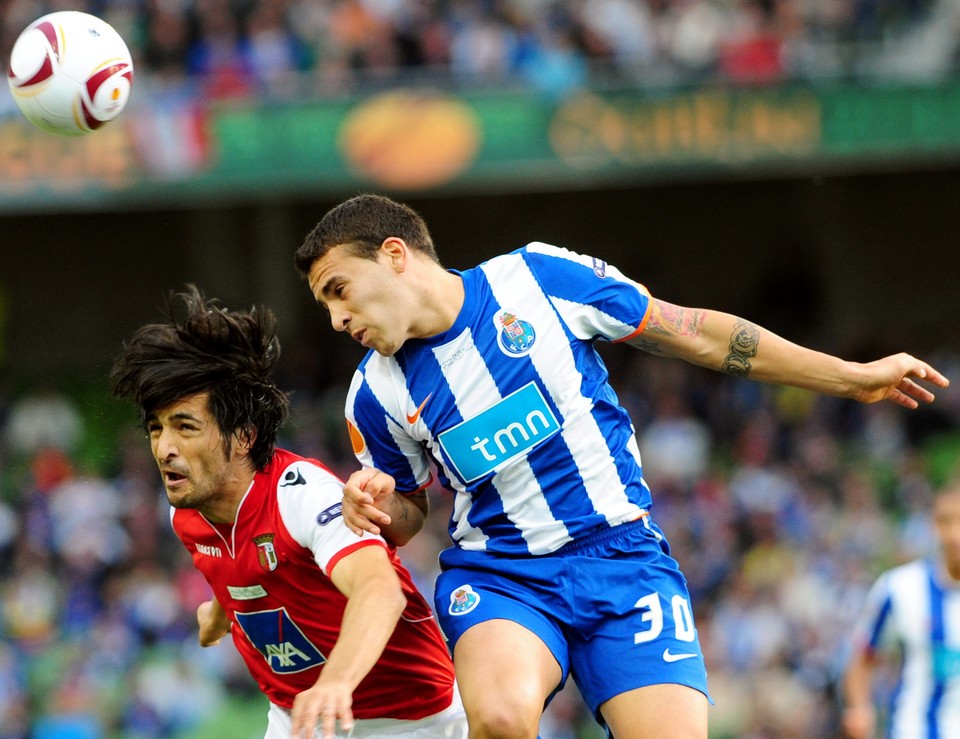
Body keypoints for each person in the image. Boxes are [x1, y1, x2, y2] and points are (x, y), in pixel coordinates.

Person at [293, 193, 949, 739]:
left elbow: (692, 331)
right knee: (498, 717)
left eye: (339, 290)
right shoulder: (373, 394)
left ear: (396, 255)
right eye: (326, 304)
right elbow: (407, 515)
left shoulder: (538, 279)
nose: (337, 316)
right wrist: (379, 505)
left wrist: (849, 376)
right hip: (502, 575)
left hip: (624, 559)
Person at [109, 285, 468, 739]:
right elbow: (256, 564)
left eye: (185, 427)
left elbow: (380, 592)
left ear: (243, 436)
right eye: (157, 429)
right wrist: (221, 610)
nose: (164, 448)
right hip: (299, 717)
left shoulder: (304, 496)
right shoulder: (190, 513)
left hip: (412, 719)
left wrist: (335, 684)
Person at [842, 481, 960, 739]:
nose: (955, 535)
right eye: (947, 522)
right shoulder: (899, 588)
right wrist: (860, 709)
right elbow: (862, 659)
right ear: (934, 526)